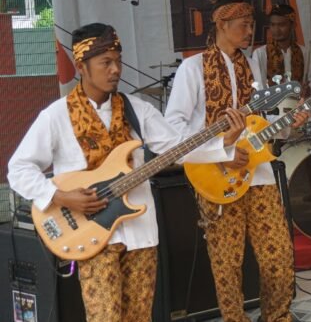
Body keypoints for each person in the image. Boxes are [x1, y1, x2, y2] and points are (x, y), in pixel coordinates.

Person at [7, 23, 241, 322]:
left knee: (139, 316)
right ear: (81, 67)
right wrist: (60, 196)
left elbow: (178, 148)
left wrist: (224, 143)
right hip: (90, 235)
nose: (115, 69)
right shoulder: (56, 115)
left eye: (118, 61)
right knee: (104, 317)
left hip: (140, 231)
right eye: (105, 62)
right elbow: (19, 169)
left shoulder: (138, 110)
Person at [165, 0, 309, 322]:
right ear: (222, 24)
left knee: (279, 256)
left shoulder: (252, 65)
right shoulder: (193, 68)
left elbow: (260, 123)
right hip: (217, 178)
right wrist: (221, 153)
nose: (250, 31)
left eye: (252, 25)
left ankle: (277, 316)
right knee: (227, 265)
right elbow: (173, 129)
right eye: (244, 25)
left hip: (259, 174)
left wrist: (289, 123)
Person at [252, 4, 311, 97]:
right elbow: (258, 84)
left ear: (293, 25)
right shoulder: (260, 53)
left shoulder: (304, 52)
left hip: (298, 104)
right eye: (273, 25)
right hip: (270, 104)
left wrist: (308, 89)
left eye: (281, 25)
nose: (276, 30)